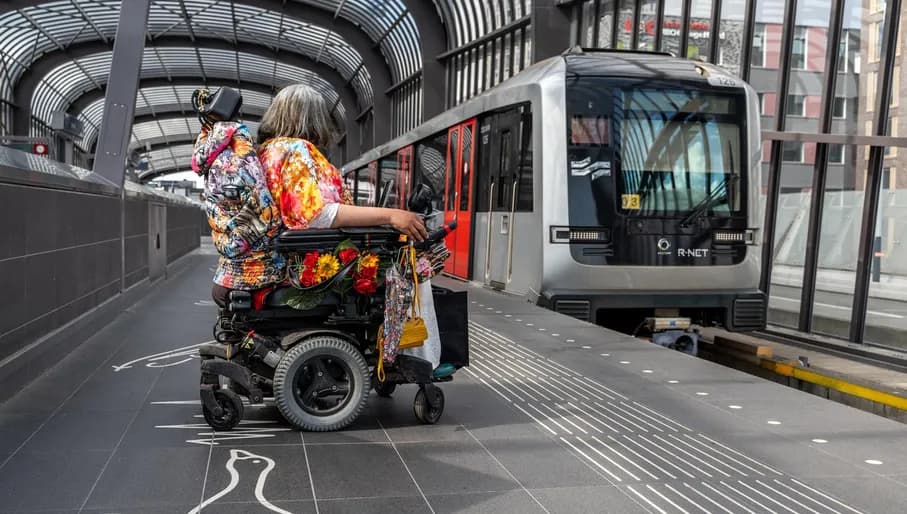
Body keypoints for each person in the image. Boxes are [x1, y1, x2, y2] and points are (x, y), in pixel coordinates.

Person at [257, 84, 427, 241]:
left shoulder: (266, 151)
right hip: (308, 260)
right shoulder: (296, 149)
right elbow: (317, 215)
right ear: (314, 119)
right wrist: (391, 215)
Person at [191, 121, 283, 305]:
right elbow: (262, 211)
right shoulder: (240, 157)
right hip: (254, 269)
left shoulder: (211, 160)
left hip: (227, 270)